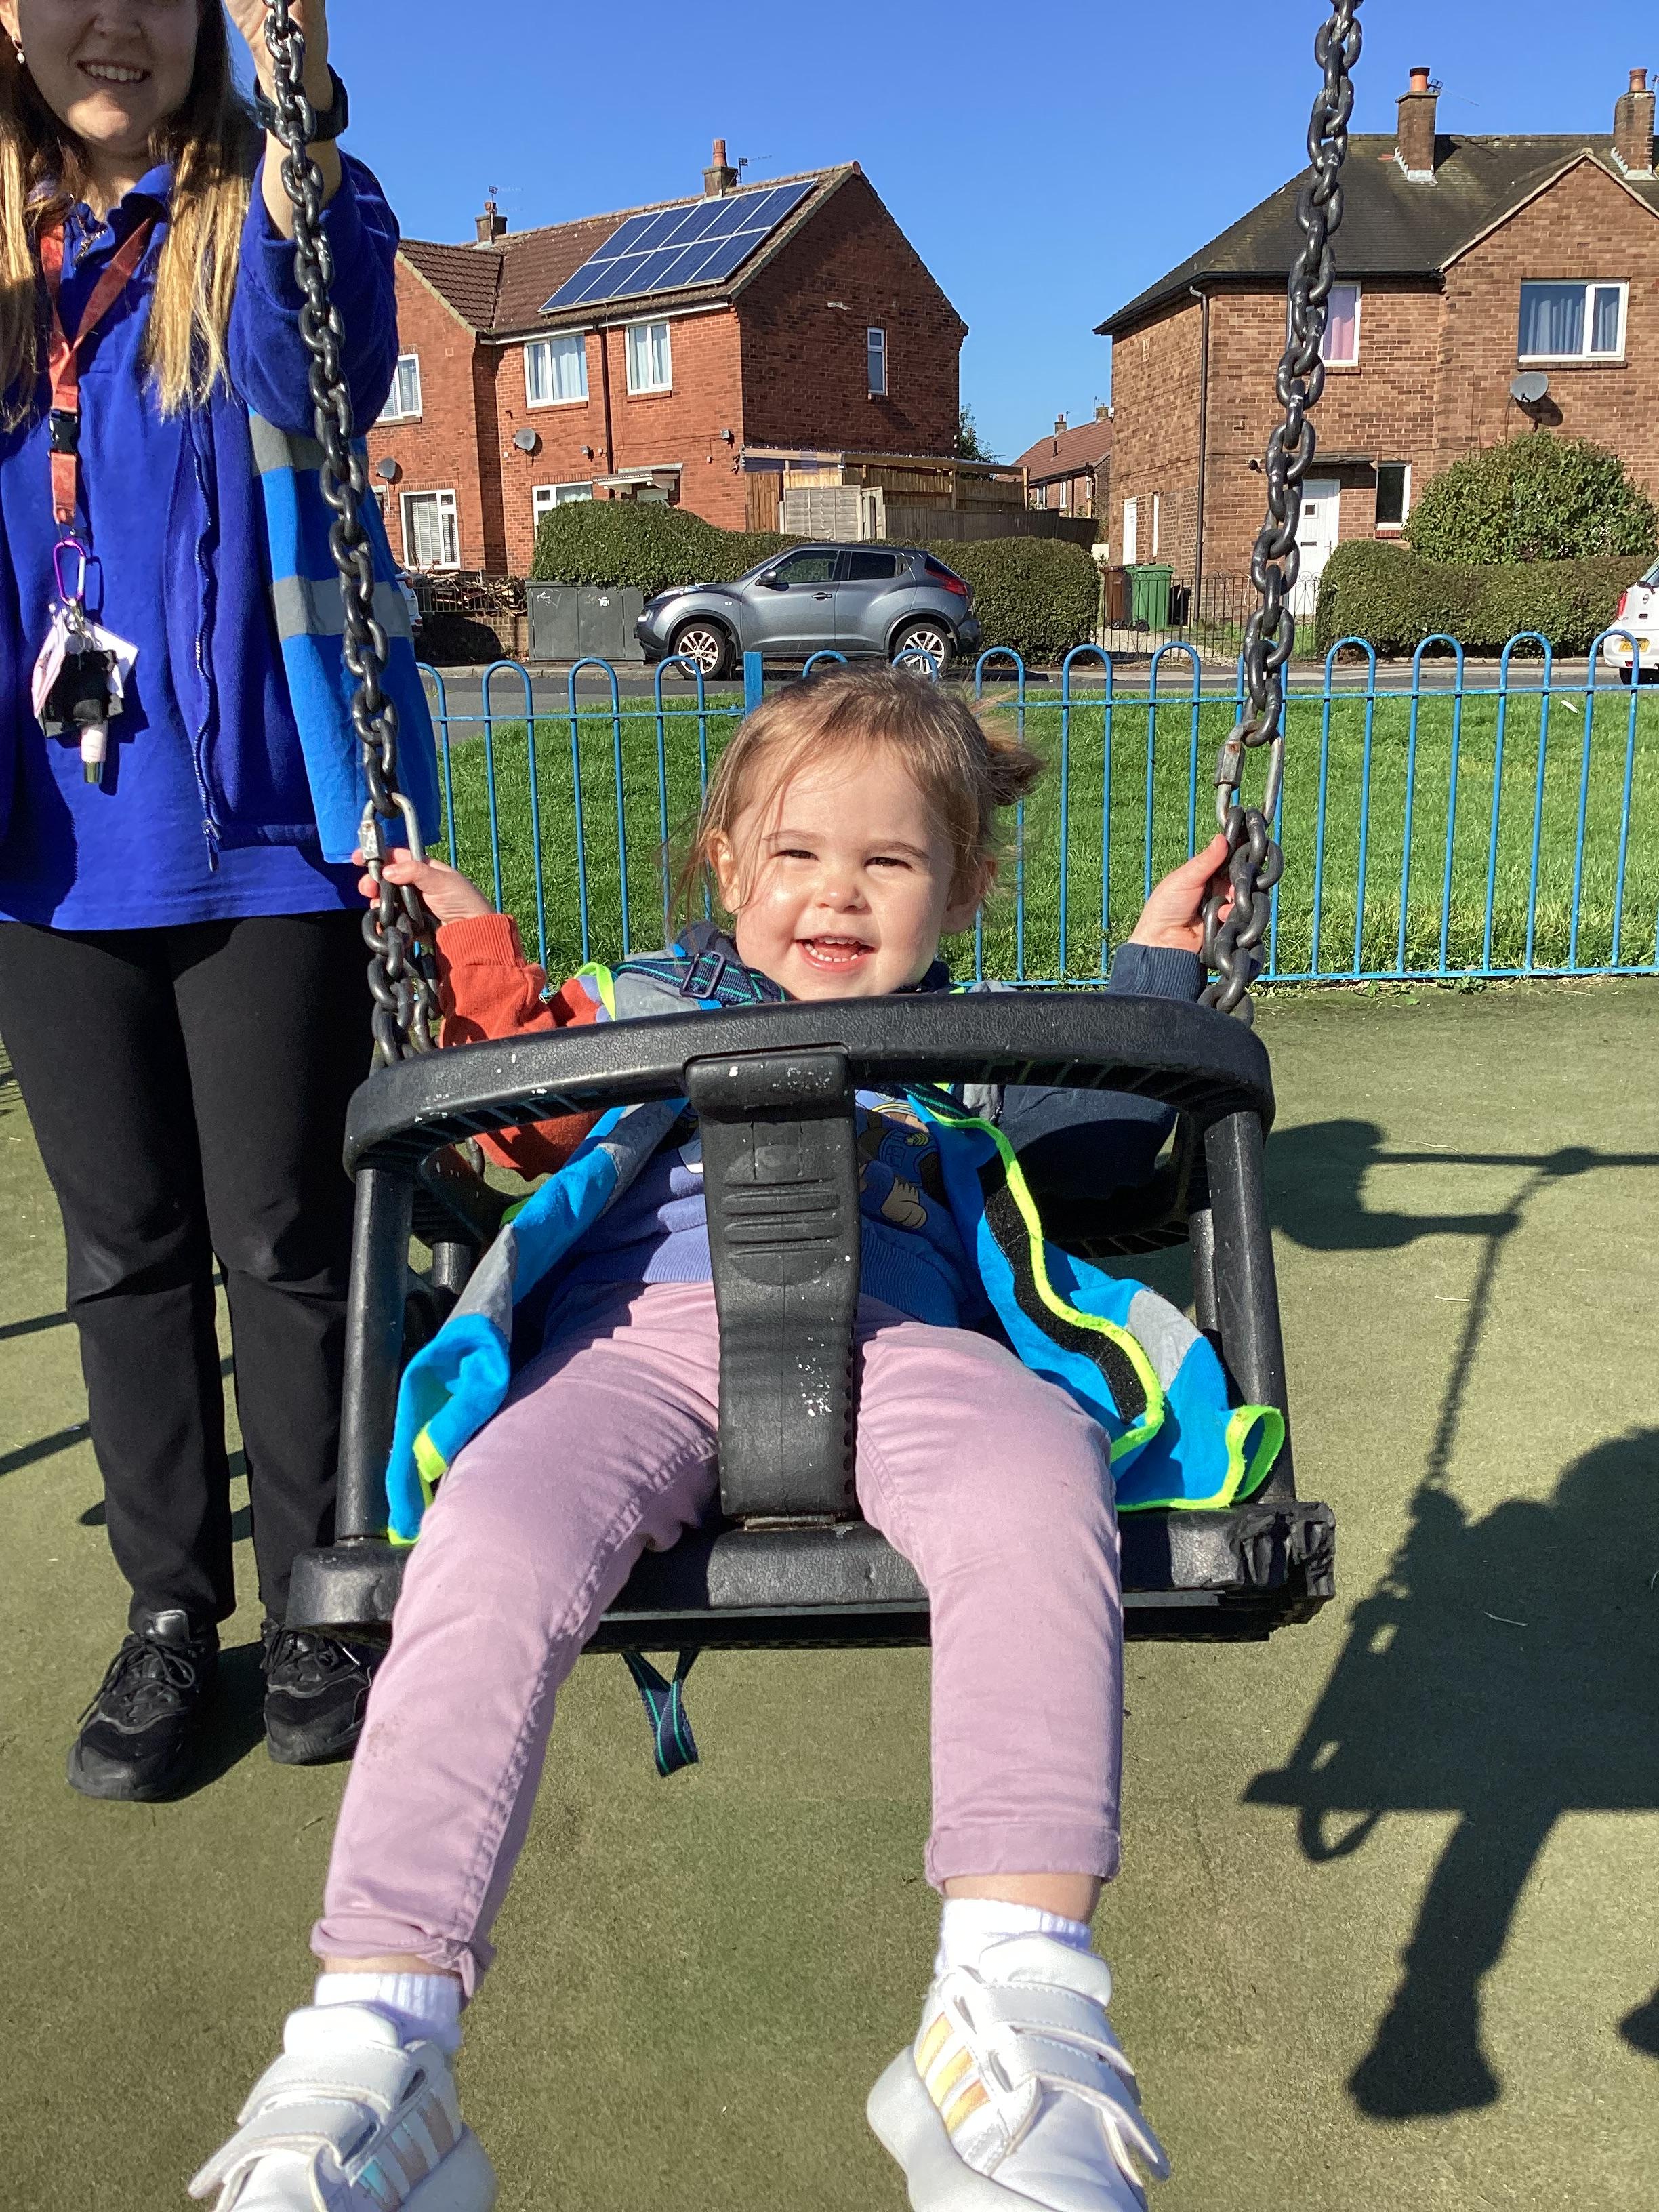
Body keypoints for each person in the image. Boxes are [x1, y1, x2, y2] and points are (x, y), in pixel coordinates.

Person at [192, 667, 1270, 2212]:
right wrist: (468, 946)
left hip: (907, 1340)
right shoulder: (642, 1000)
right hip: (629, 1343)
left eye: (889, 862)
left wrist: (1163, 961)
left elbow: (1104, 1146)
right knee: (487, 1534)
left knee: (1043, 1478)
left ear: (963, 886)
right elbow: (511, 1121)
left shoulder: (964, 1045)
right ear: (724, 864)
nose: (838, 894)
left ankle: (1013, 1998)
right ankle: (378, 2043)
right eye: (797, 855)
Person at [0, 0, 406, 1796]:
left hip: (257, 833)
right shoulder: (8, 264)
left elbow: (315, 382)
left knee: (284, 1233)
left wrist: (299, 115)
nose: (116, 24)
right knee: (122, 1247)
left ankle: (325, 1588)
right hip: (45, 847)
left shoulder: (272, 204)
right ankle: (172, 1607)